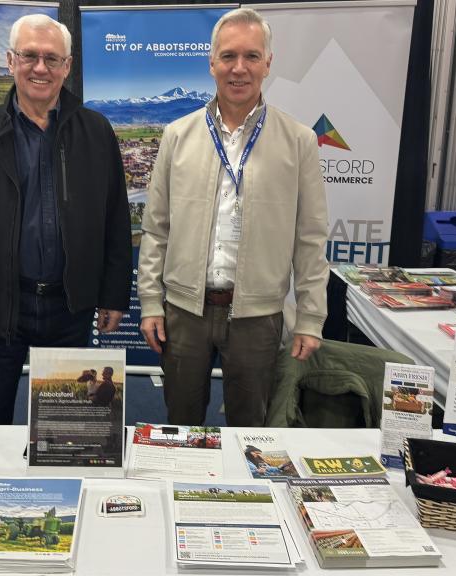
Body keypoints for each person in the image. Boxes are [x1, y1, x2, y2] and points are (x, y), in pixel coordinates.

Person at [0, 14, 132, 424]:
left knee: (68, 425)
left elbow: (115, 219)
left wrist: (113, 293)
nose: (40, 68)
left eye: (52, 59)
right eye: (30, 56)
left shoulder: (96, 131)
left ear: (67, 67)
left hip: (69, 305)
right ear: (10, 61)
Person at [137, 8, 329, 427]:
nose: (238, 68)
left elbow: (310, 237)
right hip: (184, 313)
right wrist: (151, 301)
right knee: (180, 423)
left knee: (250, 429)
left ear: (268, 63)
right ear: (211, 63)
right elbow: (156, 229)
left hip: (258, 317)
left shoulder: (298, 142)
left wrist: (311, 316)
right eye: (228, 56)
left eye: (251, 56)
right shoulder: (178, 135)